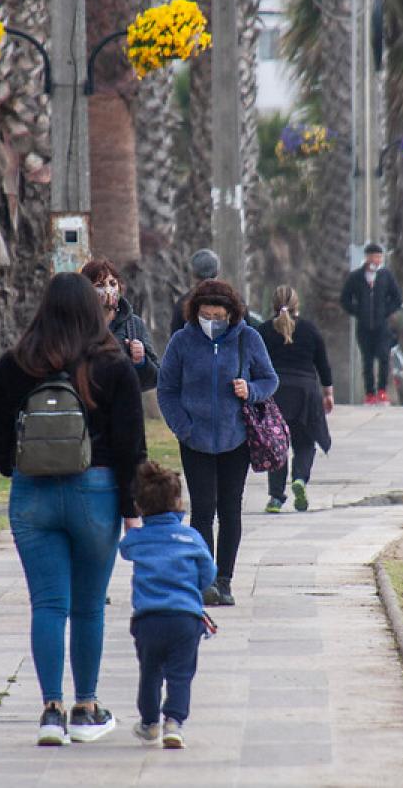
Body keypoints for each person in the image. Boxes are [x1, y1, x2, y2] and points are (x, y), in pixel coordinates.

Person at [0, 272, 147, 747]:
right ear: (95, 311)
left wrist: (17, 468)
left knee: (48, 604)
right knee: (89, 607)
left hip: (33, 494)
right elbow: (131, 446)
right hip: (96, 492)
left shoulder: (17, 364)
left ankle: (50, 710)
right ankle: (86, 708)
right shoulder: (113, 364)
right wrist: (132, 510)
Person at [157, 279, 278, 607]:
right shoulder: (182, 342)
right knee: (202, 509)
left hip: (235, 438)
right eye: (206, 315)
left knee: (230, 509)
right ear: (195, 313)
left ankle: (224, 580)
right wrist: (183, 427)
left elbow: (270, 379)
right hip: (194, 440)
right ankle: (205, 579)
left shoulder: (248, 338)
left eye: (219, 316)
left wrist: (250, 390)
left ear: (231, 315)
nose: (212, 321)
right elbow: (166, 389)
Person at [119, 461, 216, 750]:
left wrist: (133, 526)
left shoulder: (138, 539)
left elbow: (124, 550)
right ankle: (174, 722)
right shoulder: (191, 537)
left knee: (150, 672)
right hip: (185, 618)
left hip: (148, 619)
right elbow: (208, 573)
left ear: (140, 506)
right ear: (178, 503)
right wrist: (192, 587)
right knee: (181, 674)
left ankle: (149, 723)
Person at [255, 285, 333, 514]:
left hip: (275, 393)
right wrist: (328, 393)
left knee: (277, 445)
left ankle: (276, 498)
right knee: (305, 442)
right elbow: (323, 364)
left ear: (273, 305)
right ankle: (299, 478)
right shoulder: (310, 330)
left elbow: (254, 364)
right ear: (297, 305)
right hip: (305, 393)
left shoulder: (263, 331)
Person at [81, 258, 159, 391]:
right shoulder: (77, 325)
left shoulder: (133, 325)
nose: (108, 290)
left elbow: (154, 379)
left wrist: (141, 361)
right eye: (100, 285)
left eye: (112, 284)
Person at [340, 242, 403, 405]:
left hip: (382, 326)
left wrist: (385, 311)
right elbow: (345, 298)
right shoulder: (356, 277)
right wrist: (358, 311)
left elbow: (397, 298)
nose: (377, 260)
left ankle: (382, 391)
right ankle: (369, 393)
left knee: (383, 356)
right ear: (367, 258)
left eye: (379, 257)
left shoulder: (386, 276)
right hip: (364, 326)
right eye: (374, 256)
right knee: (367, 359)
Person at [168, 247, 220, 336]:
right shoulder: (235, 302)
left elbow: (175, 340)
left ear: (193, 274)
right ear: (218, 272)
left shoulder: (183, 305)